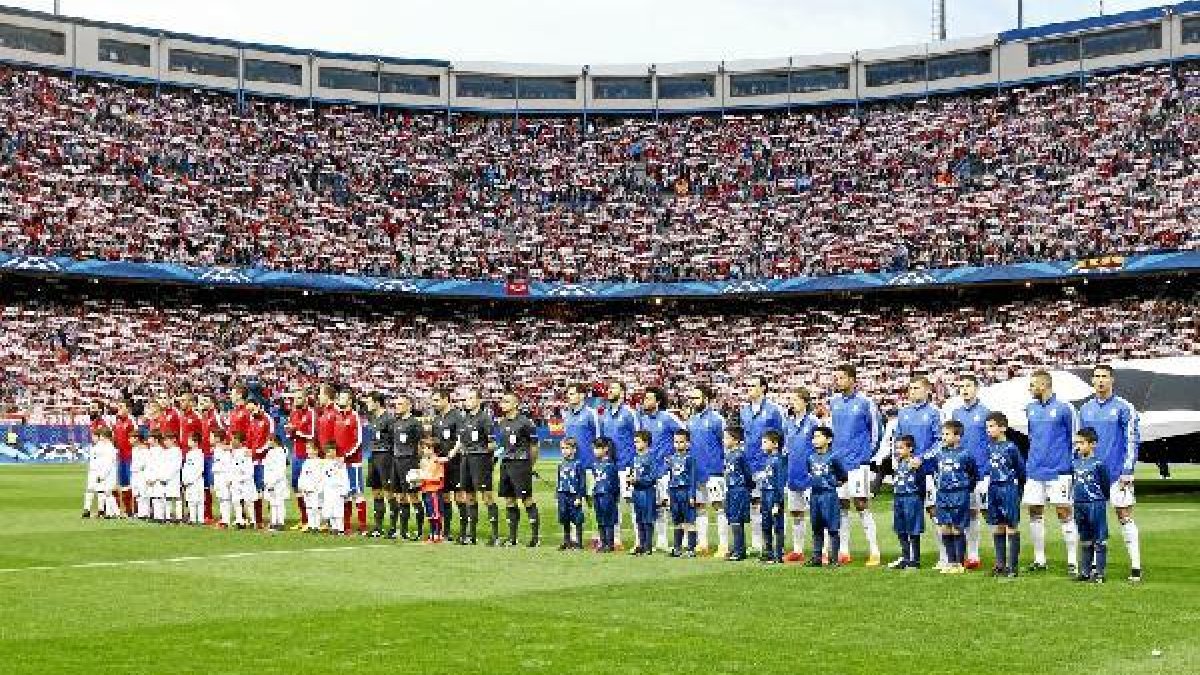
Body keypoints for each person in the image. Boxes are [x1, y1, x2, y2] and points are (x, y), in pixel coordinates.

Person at [1078, 364, 1142, 583]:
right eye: (1096, 376)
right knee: (1094, 519)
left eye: (1105, 376)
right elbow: (1080, 441)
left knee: (1124, 516)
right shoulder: (1085, 409)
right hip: (1091, 475)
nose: (1100, 380)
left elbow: (1132, 439)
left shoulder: (1125, 407)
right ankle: (1095, 564)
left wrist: (1127, 469)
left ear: (1112, 380)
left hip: (1117, 473)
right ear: (1092, 380)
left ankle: (1135, 566)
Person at [1023, 369, 1080, 574]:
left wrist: (1073, 466)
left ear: (1044, 385)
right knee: (1034, 513)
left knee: (1064, 512)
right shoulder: (1030, 408)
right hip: (1035, 470)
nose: (1030, 389)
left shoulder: (1065, 408)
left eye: (1032, 385)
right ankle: (1040, 559)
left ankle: (1073, 561)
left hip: (1059, 471)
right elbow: (1032, 437)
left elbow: (1076, 439)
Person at [828, 363, 883, 567]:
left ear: (852, 379)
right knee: (842, 505)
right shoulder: (833, 402)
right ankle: (843, 550)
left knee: (861, 504)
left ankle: (874, 550)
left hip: (858, 463)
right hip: (839, 463)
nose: (838, 381)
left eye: (841, 377)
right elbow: (832, 430)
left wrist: (867, 455)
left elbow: (877, 431)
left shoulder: (865, 403)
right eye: (836, 377)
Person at [889, 376, 944, 567]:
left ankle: (944, 555)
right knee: (905, 514)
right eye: (911, 388)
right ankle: (908, 556)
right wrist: (897, 460)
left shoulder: (934, 413)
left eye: (917, 388)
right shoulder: (903, 413)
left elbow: (940, 441)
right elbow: (897, 439)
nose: (913, 391)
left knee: (933, 510)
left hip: (927, 471)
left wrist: (923, 458)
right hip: (906, 472)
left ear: (927, 390)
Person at [946, 374, 991, 571]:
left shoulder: (985, 413)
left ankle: (975, 553)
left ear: (976, 388)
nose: (964, 389)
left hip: (980, 471)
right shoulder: (955, 413)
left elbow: (991, 441)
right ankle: (961, 554)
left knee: (978, 512)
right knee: (962, 514)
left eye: (968, 386)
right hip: (959, 473)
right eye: (961, 386)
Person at [739, 375, 785, 553]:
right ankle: (758, 543)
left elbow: (783, 435)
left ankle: (777, 545)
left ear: (763, 388)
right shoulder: (744, 411)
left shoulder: (774, 410)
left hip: (768, 464)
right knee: (755, 503)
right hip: (750, 463)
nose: (749, 388)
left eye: (753, 385)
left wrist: (778, 461)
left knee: (772, 504)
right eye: (747, 385)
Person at [928, 420, 980, 575]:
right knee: (945, 527)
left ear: (958, 436)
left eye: (947, 434)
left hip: (959, 494)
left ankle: (959, 562)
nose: (944, 437)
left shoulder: (965, 454)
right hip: (942, 494)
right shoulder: (940, 453)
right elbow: (936, 471)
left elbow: (974, 474)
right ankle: (950, 561)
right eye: (943, 434)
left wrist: (964, 488)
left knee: (957, 528)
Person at [639, 386, 684, 551]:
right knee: (657, 507)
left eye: (649, 398)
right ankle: (662, 540)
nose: (645, 401)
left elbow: (684, 433)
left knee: (673, 506)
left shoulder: (667, 417)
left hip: (666, 470)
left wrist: (674, 458)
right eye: (645, 398)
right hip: (650, 471)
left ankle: (682, 540)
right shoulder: (643, 420)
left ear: (658, 401)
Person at [495, 391, 541, 547]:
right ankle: (512, 538)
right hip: (506, 464)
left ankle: (535, 538)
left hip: (521, 464)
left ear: (516, 404)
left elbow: (534, 446)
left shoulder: (526, 423)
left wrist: (529, 465)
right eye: (502, 401)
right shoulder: (502, 423)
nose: (502, 404)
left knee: (526, 499)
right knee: (509, 499)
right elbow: (503, 446)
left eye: (506, 401)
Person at [599, 380, 639, 550]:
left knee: (632, 503)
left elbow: (639, 437)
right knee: (611, 504)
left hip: (627, 465)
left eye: (613, 388)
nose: (609, 390)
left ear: (622, 392)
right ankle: (615, 540)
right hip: (610, 467)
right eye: (609, 388)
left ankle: (640, 540)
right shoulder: (604, 415)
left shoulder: (630, 413)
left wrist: (637, 463)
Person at [687, 384, 726, 556]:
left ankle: (723, 545)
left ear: (706, 399)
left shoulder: (717, 419)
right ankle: (703, 544)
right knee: (700, 508)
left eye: (696, 398)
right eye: (692, 398)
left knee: (719, 507)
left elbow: (725, 443)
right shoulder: (691, 421)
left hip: (714, 471)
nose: (693, 401)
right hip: (697, 471)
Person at [984, 412, 1024, 578]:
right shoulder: (990, 446)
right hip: (993, 488)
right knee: (997, 525)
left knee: (1011, 525)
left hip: (1008, 488)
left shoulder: (1011, 447)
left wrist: (1017, 491)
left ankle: (1012, 567)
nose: (988, 430)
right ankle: (1000, 564)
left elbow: (1021, 471)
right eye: (987, 427)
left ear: (1003, 428)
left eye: (992, 426)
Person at [783, 388, 818, 564]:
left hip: (810, 475)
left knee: (817, 513)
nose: (792, 403)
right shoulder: (788, 423)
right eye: (791, 400)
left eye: (795, 399)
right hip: (793, 474)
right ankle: (798, 549)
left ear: (805, 401)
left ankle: (823, 550)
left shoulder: (813, 422)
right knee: (796, 513)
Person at [1071, 428, 1111, 584]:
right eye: (1077, 443)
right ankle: (1085, 572)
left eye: (1081, 443)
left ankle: (1099, 573)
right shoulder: (1075, 462)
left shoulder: (1098, 464)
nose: (1078, 446)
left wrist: (1101, 499)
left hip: (1095, 503)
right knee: (1085, 538)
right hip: (1079, 504)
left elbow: (1105, 484)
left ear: (1093, 444)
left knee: (1099, 539)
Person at [457, 388, 496, 545]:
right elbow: (461, 442)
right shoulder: (464, 419)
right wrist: (450, 456)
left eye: (472, 398)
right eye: (467, 398)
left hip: (480, 460)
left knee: (487, 496)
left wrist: (487, 459)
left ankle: (494, 535)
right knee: (469, 496)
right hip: (465, 459)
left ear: (479, 401)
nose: (468, 401)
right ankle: (471, 535)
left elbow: (492, 444)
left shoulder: (485, 419)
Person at [805, 426, 847, 568]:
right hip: (815, 495)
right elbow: (810, 473)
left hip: (829, 496)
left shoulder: (834, 457)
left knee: (832, 528)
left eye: (818, 436)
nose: (815, 440)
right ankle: (817, 557)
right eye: (814, 437)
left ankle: (834, 559)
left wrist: (832, 484)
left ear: (828, 439)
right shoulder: (810, 457)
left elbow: (843, 476)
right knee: (816, 527)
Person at [430, 389, 464, 542]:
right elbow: (434, 441)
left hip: (455, 463)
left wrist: (451, 454)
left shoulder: (457, 417)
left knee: (459, 496)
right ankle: (447, 530)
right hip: (440, 464)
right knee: (444, 497)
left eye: (436, 400)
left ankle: (464, 531)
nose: (434, 403)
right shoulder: (436, 419)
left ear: (445, 399)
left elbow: (461, 438)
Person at [887, 435, 926, 570]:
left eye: (901, 448)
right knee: (900, 529)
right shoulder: (897, 463)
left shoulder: (916, 463)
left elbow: (922, 483)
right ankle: (905, 557)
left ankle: (915, 560)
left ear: (910, 448)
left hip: (912, 498)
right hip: (899, 498)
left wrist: (919, 499)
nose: (898, 450)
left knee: (913, 530)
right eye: (896, 448)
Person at [391, 394, 425, 539]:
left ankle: (419, 530)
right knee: (400, 497)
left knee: (414, 496)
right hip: (397, 461)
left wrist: (419, 463)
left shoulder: (415, 423)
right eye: (396, 404)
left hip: (410, 463)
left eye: (400, 404)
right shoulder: (396, 422)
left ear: (408, 406)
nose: (397, 406)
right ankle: (403, 531)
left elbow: (421, 444)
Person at [333, 389, 365, 534]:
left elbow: (358, 440)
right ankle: (346, 525)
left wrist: (345, 455)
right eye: (340, 396)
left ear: (350, 401)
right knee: (344, 493)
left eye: (343, 397)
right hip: (339, 463)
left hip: (353, 462)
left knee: (357, 493)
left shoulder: (354, 416)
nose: (340, 398)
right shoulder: (337, 416)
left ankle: (362, 526)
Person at [365, 392, 397, 538]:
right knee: (376, 491)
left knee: (388, 491)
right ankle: (378, 527)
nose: (367, 404)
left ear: (378, 403)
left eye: (370, 402)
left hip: (385, 457)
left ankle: (393, 526)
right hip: (373, 455)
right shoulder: (372, 418)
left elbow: (394, 440)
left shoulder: (389, 419)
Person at [285, 389, 316, 531]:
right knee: (297, 487)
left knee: (311, 489)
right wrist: (289, 432)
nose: (295, 401)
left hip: (309, 456)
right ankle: (304, 520)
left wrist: (296, 431)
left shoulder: (311, 413)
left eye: (298, 398)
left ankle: (314, 520)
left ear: (305, 399)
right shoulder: (293, 413)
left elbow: (313, 434)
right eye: (294, 398)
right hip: (296, 455)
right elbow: (291, 436)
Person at [722, 425, 753, 562]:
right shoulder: (729, 455)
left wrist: (748, 487)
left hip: (739, 489)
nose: (724, 440)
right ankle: (737, 548)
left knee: (736, 519)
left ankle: (739, 551)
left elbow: (747, 473)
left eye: (727, 438)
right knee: (732, 518)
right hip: (731, 489)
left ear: (736, 440)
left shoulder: (740, 454)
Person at [666, 429, 698, 558]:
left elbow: (693, 478)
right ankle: (677, 547)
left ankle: (691, 549)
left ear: (688, 443)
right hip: (674, 492)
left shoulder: (690, 459)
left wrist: (691, 495)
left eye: (681, 442)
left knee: (690, 521)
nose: (678, 444)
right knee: (677, 520)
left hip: (685, 491)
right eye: (676, 442)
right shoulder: (671, 459)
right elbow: (670, 476)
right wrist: (668, 495)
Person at [758, 430, 786, 564]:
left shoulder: (779, 460)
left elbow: (780, 483)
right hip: (765, 494)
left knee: (777, 525)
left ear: (775, 444)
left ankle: (778, 554)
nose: (762, 445)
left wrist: (777, 502)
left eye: (765, 442)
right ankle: (768, 552)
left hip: (773, 496)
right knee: (766, 524)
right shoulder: (768, 459)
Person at [246, 399, 275, 529]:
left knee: (268, 490)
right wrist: (249, 451)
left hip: (266, 461)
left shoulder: (267, 418)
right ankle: (258, 520)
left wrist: (257, 451)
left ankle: (272, 519)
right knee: (256, 490)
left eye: (252, 409)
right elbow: (250, 439)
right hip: (253, 460)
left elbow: (271, 440)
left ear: (258, 406)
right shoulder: (252, 420)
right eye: (249, 410)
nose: (251, 412)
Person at [628, 430, 658, 556]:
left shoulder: (651, 458)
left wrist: (638, 480)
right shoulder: (635, 458)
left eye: (638, 441)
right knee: (639, 519)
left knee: (647, 519)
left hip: (647, 492)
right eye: (635, 442)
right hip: (637, 492)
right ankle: (640, 544)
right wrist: (629, 479)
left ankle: (648, 546)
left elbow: (653, 477)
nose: (635, 444)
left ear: (646, 443)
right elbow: (632, 473)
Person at [556, 437, 586, 550]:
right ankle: (567, 541)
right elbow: (559, 480)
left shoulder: (578, 464)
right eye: (562, 448)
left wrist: (579, 497)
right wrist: (557, 495)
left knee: (577, 518)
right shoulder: (561, 464)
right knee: (564, 517)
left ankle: (579, 542)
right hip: (563, 495)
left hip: (573, 495)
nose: (564, 450)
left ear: (574, 450)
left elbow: (582, 483)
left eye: (567, 448)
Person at [83, 427, 119, 519]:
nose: (93, 438)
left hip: (103, 472)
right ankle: (109, 513)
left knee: (104, 492)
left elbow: (107, 462)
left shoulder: (107, 447)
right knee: (96, 491)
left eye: (96, 436)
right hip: (96, 471)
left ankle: (110, 512)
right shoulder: (97, 446)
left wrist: (102, 474)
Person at [562, 383, 600, 469]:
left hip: (589, 466)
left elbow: (599, 439)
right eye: (567, 394)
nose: (568, 396)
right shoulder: (566, 415)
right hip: (571, 465)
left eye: (572, 394)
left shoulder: (591, 413)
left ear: (582, 395)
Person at [591, 438, 619, 553]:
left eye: (597, 448)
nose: (595, 451)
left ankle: (610, 544)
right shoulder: (595, 465)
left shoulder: (611, 465)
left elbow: (615, 484)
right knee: (600, 520)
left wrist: (613, 497)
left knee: (608, 520)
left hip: (607, 496)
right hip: (598, 495)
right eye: (594, 448)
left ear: (605, 449)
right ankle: (602, 543)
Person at [417, 439, 447, 542]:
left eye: (428, 448)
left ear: (434, 450)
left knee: (436, 513)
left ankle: (438, 534)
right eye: (424, 448)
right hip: (425, 490)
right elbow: (421, 475)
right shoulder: (423, 461)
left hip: (434, 490)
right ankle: (432, 532)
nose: (425, 450)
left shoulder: (437, 460)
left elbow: (438, 476)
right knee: (429, 513)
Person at [112, 399, 137, 516]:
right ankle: (127, 510)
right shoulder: (117, 422)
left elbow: (136, 438)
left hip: (130, 457)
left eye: (121, 407)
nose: (119, 409)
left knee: (133, 484)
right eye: (118, 407)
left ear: (128, 409)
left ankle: (135, 510)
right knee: (123, 485)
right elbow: (115, 439)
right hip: (120, 458)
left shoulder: (131, 421)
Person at [230, 432, 257, 529]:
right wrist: (231, 479)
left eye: (234, 439)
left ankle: (253, 521)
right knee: (236, 501)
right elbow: (232, 467)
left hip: (246, 481)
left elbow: (249, 468)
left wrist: (244, 477)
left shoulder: (246, 452)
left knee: (248, 501)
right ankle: (239, 521)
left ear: (239, 441)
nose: (232, 441)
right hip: (235, 481)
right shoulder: (233, 452)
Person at [262, 437, 290, 530]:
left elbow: (281, 470)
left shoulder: (281, 452)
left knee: (279, 502)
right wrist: (266, 481)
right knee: (273, 503)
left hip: (278, 482)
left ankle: (280, 522)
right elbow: (266, 467)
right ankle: (273, 522)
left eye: (270, 440)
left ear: (275, 442)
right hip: (269, 481)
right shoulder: (270, 452)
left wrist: (273, 482)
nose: (268, 442)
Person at [322, 441, 350, 534]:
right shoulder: (324, 463)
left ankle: (340, 528)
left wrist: (345, 490)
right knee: (330, 509)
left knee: (338, 510)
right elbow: (322, 477)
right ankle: (334, 528)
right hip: (328, 490)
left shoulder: (340, 463)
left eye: (333, 450)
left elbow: (345, 477)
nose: (331, 453)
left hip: (338, 489)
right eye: (329, 451)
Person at [159, 431, 184, 523]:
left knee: (176, 497)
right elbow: (162, 465)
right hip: (164, 478)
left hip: (174, 478)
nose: (165, 442)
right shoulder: (164, 452)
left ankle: (179, 517)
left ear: (173, 440)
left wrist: (168, 476)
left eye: (167, 440)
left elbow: (176, 466)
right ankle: (168, 516)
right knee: (167, 498)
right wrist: (162, 476)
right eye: (164, 440)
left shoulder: (177, 451)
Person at [181, 433, 206, 525]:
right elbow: (186, 468)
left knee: (198, 500)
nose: (188, 442)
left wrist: (191, 480)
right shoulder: (189, 454)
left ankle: (200, 519)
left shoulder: (199, 454)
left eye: (190, 440)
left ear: (196, 442)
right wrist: (185, 479)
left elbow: (199, 469)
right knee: (190, 500)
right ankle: (192, 518)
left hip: (196, 481)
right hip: (188, 481)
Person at [130, 434, 152, 519]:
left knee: (143, 493)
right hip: (135, 473)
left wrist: (139, 469)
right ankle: (140, 512)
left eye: (131, 438)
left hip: (142, 473)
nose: (129, 440)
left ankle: (146, 513)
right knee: (137, 493)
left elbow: (145, 463)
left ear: (136, 438)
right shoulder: (134, 449)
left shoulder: (145, 450)